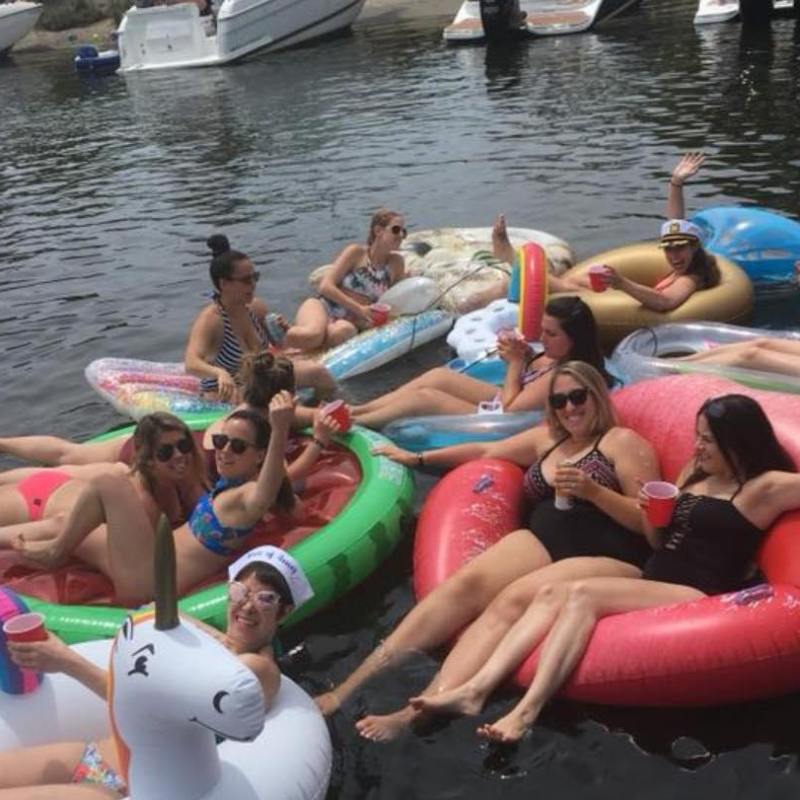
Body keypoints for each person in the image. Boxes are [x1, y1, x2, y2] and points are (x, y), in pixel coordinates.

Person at [410, 394, 800, 744]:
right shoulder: (693, 474)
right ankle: (475, 688)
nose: (697, 446)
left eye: (708, 440)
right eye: (697, 436)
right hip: (653, 572)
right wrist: (653, 516)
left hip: (698, 590)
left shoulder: (764, 488)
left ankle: (525, 711)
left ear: (739, 443)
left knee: (582, 595)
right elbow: (658, 542)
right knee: (551, 592)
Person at [316, 362, 661, 737]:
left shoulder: (621, 442)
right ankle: (347, 688)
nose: (569, 408)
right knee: (464, 585)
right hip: (544, 540)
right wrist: (416, 459)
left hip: (605, 553)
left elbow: (650, 524)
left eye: (578, 397)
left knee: (511, 600)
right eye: (559, 400)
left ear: (597, 394)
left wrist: (594, 491)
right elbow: (486, 449)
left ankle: (419, 710)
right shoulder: (549, 439)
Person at [0, 545, 313, 799]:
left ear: (285, 611)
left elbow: (139, 706)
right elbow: (158, 616)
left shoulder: (256, 670)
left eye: (265, 599)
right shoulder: (220, 648)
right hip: (95, 754)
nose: (246, 606)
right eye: (239, 592)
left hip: (125, 787)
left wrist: (65, 660)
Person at [11, 393, 295, 606]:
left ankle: (55, 553)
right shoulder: (226, 483)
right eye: (221, 442)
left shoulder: (245, 496)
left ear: (260, 455)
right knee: (67, 522)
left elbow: (264, 494)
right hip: (151, 561)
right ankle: (39, 544)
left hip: (154, 581)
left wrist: (279, 430)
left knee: (109, 482)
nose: (224, 451)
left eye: (238, 446)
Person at [349, 296, 611, 429]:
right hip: (505, 400)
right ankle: (360, 409)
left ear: (575, 339)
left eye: (551, 334)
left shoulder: (567, 377)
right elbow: (524, 381)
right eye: (543, 330)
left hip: (507, 420)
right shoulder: (555, 356)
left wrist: (515, 364)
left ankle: (355, 424)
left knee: (425, 398)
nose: (542, 338)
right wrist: (527, 357)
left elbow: (511, 410)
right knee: (438, 377)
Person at [0, 413, 207, 553]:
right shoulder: (140, 500)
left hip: (67, 483)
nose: (180, 454)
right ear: (147, 459)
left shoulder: (185, 474)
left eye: (184, 444)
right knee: (66, 455)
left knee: (67, 455)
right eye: (165, 452)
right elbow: (59, 524)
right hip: (38, 502)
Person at [184, 234, 335, 401]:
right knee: (265, 398)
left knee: (319, 373)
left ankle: (321, 409)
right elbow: (191, 364)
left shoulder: (255, 308)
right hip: (228, 391)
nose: (253, 284)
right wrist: (219, 372)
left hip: (261, 380)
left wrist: (284, 331)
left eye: (255, 277)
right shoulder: (212, 320)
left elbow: (279, 346)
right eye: (246, 280)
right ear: (224, 284)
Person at [283, 209, 407, 351]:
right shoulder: (356, 253)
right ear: (378, 230)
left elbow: (398, 299)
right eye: (396, 230)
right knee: (313, 335)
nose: (401, 235)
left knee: (342, 332)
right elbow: (325, 287)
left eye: (404, 231)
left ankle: (305, 347)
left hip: (349, 322)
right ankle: (282, 341)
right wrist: (360, 309)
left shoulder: (396, 263)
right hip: (324, 307)